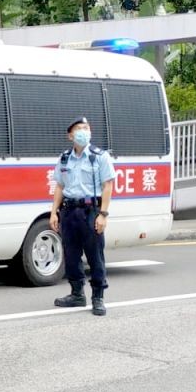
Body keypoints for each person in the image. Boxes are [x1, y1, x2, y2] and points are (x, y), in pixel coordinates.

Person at [50, 117, 115, 317]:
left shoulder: (99, 157)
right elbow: (60, 186)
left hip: (90, 211)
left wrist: (103, 214)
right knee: (71, 255)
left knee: (95, 255)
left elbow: (108, 186)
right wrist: (54, 212)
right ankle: (77, 293)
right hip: (69, 211)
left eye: (86, 128)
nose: (83, 131)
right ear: (70, 135)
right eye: (79, 129)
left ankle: (98, 297)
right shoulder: (64, 158)